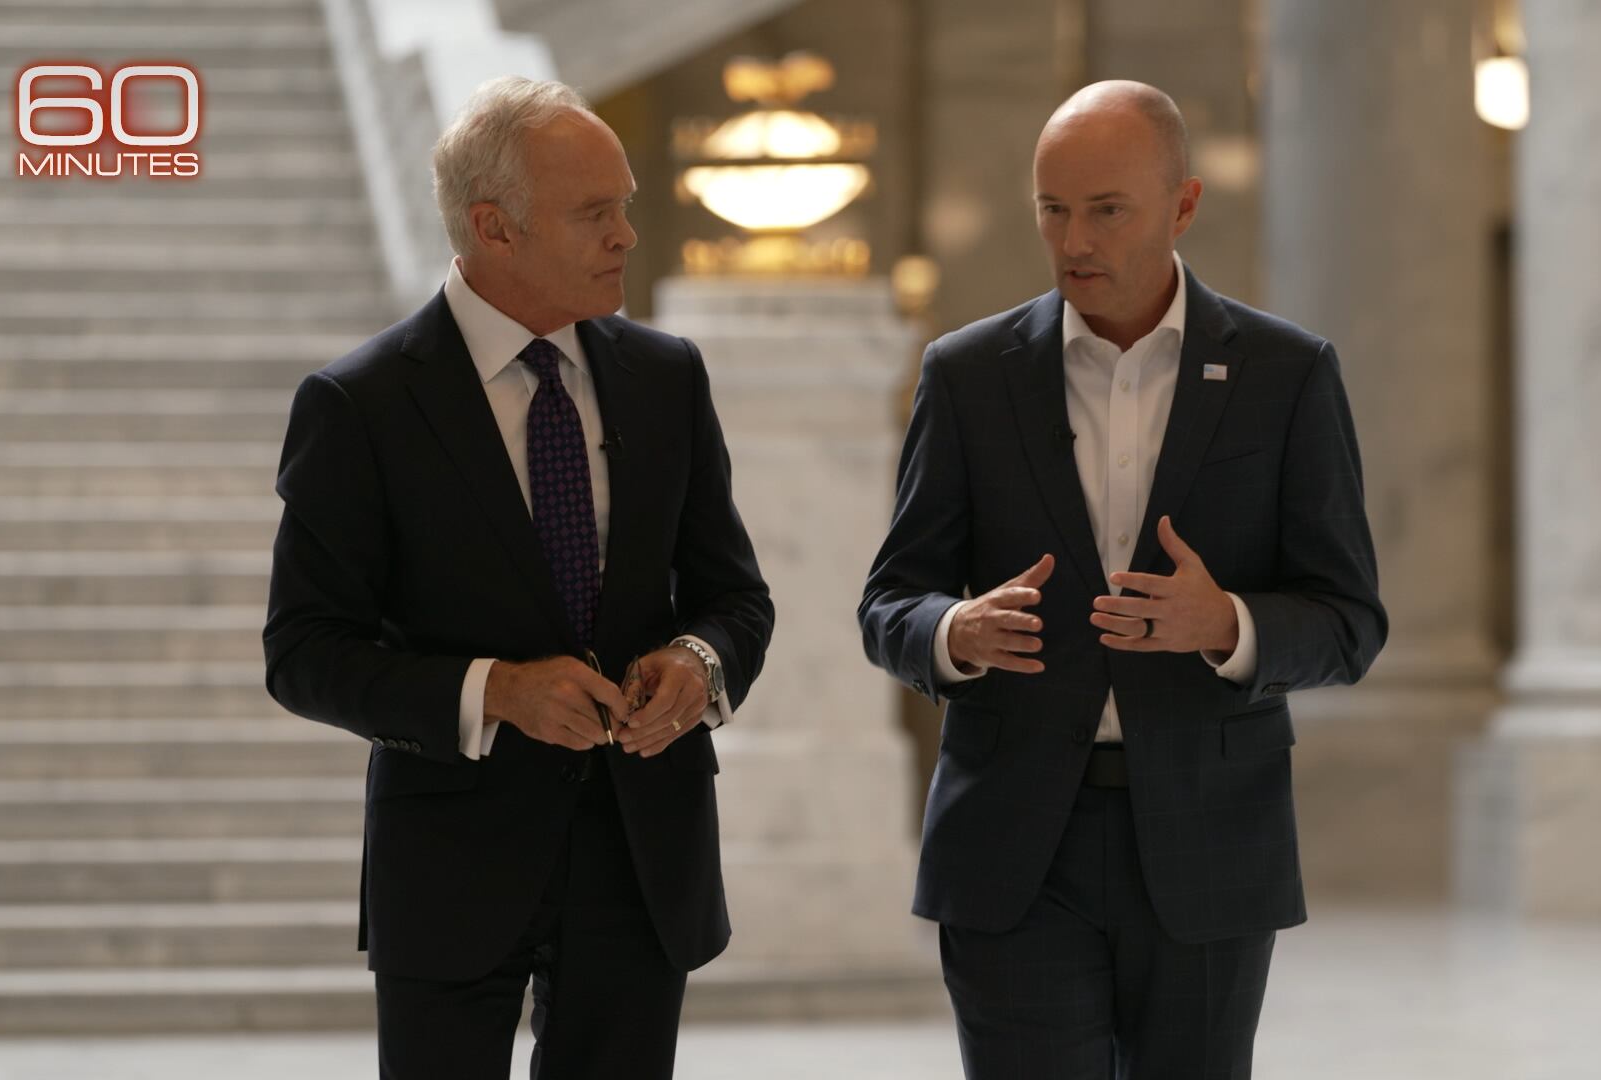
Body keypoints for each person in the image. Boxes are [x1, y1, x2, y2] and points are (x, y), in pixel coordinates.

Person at [858, 80, 1386, 1078]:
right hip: (1013, 845)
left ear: (1183, 206)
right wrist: (952, 633)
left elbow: (1350, 621)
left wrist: (1225, 623)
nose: (1073, 242)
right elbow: (890, 602)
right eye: (1053, 209)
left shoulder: (1287, 375)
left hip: (1209, 844)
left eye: (1107, 210)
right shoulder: (967, 376)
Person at [263, 76, 773, 1080]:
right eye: (595, 213)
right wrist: (495, 691)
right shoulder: (358, 405)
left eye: (624, 203)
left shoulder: (668, 378)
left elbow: (736, 596)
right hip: (450, 868)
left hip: (641, 859)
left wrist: (696, 662)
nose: (628, 232)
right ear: (493, 228)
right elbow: (305, 654)